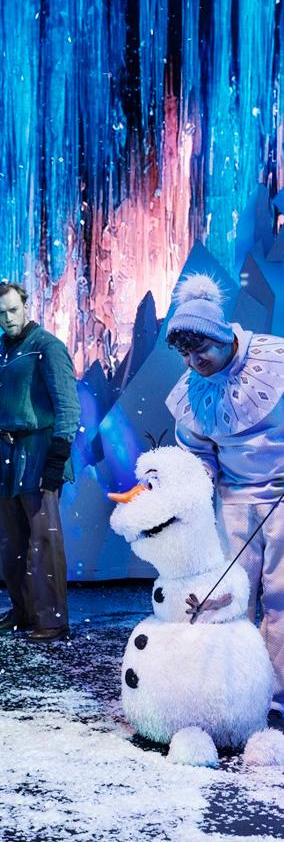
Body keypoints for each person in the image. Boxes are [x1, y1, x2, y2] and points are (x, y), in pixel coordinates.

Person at [165, 273, 284, 723]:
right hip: (234, 500)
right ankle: (232, 685)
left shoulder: (274, 360)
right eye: (186, 355)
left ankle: (276, 691)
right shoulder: (194, 387)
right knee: (232, 596)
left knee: (281, 597)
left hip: (282, 495)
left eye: (202, 350)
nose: (195, 362)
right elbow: (198, 450)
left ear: (222, 337)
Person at [0, 281, 80, 642]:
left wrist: (57, 458)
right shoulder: (3, 350)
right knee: (12, 541)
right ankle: (24, 612)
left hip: (38, 450)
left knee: (43, 539)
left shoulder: (47, 347)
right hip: (7, 451)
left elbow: (68, 406)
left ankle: (51, 620)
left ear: (25, 305)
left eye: (13, 309)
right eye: (1, 313)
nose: (9, 318)